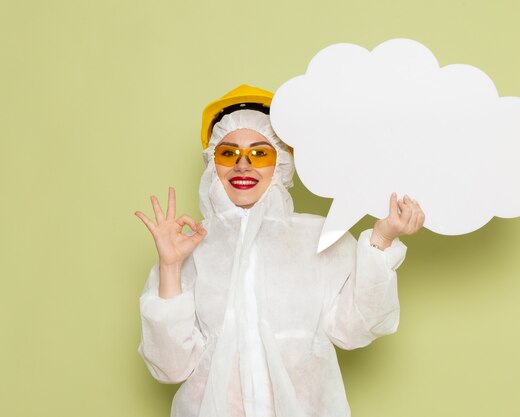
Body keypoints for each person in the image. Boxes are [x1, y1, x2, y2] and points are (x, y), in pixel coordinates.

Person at [135, 85, 425, 417]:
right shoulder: (188, 247)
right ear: (213, 162)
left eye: (260, 154)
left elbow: (354, 328)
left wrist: (382, 240)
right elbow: (170, 367)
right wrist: (170, 267)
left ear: (281, 162)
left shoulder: (320, 238)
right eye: (228, 153)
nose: (242, 166)